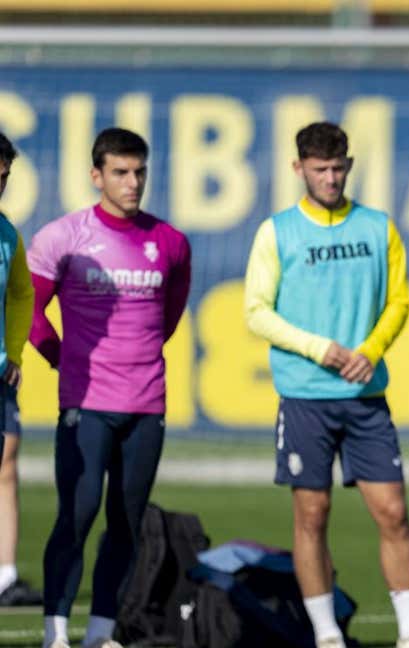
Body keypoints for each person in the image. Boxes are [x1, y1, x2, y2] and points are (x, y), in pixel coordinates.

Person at [244, 122, 409, 648]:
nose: (329, 178)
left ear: (349, 166)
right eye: (319, 169)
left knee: (393, 510)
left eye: (337, 168)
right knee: (312, 512)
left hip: (365, 395)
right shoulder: (277, 232)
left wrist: (370, 351)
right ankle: (327, 634)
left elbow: (398, 301)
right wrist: (318, 349)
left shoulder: (378, 227)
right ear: (298, 168)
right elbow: (256, 312)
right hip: (306, 394)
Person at [28, 127, 191, 648]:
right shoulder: (63, 237)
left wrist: (136, 359)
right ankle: (56, 632)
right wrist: (64, 359)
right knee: (76, 517)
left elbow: (166, 318)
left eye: (140, 171)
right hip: (86, 404)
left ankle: (100, 633)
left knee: (126, 523)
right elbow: (27, 312)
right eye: (120, 172)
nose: (133, 182)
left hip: (146, 405)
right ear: (96, 176)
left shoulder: (170, 242)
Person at [0, 131, 36, 607]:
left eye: (4, 177)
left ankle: (5, 575)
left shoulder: (7, 233)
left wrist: (13, 352)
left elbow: (22, 293)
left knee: (6, 460)